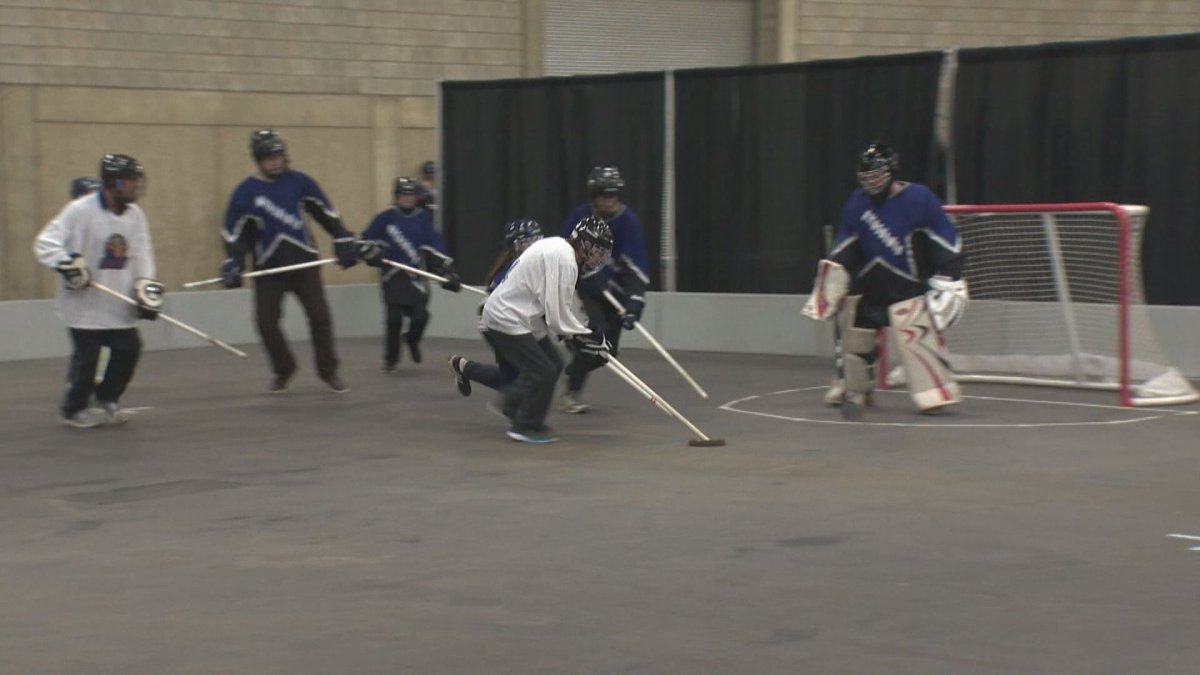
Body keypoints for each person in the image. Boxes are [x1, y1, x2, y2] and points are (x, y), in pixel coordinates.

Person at [802, 140, 968, 414]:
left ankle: (933, 389)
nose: (872, 183)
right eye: (866, 177)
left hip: (910, 291)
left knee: (916, 337)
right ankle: (854, 386)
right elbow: (845, 247)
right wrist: (832, 280)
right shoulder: (856, 204)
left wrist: (949, 279)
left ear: (892, 170)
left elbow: (946, 241)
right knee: (856, 337)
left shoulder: (919, 199)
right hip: (872, 289)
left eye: (877, 175)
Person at [218, 129, 359, 393]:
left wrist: (342, 238)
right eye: (268, 158)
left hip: (304, 263)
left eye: (279, 156)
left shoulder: (300, 182)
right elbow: (233, 232)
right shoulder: (245, 193)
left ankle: (328, 371)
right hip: (268, 269)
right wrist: (234, 262)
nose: (275, 162)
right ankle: (284, 369)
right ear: (257, 160)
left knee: (320, 317)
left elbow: (325, 212)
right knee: (266, 323)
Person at [34, 154, 163, 428]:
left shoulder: (136, 216)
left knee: (130, 349)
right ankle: (73, 410)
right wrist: (66, 264)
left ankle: (107, 399)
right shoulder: (80, 210)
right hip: (85, 303)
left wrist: (145, 285)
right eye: (128, 181)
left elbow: (143, 252)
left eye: (135, 181)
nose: (133, 187)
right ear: (112, 182)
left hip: (119, 300)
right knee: (87, 361)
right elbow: (45, 242)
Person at [467, 216, 613, 443]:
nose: (599, 257)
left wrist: (585, 333)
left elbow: (560, 307)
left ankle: (513, 406)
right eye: (597, 250)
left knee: (554, 363)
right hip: (507, 317)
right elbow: (557, 315)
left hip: (523, 316)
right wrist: (585, 336)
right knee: (542, 371)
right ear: (584, 243)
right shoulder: (564, 258)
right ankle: (525, 425)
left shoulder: (560, 251)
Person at [557, 166, 650, 413]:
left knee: (607, 352)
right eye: (603, 195)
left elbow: (635, 265)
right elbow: (561, 252)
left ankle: (576, 352)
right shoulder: (580, 216)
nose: (609, 200)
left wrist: (634, 301)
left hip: (614, 289)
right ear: (593, 196)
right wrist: (583, 273)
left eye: (614, 195)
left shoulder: (628, 222)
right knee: (596, 335)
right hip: (585, 285)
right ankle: (571, 392)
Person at [359, 176, 461, 372]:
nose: (407, 199)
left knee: (421, 317)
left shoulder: (423, 219)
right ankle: (391, 359)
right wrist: (370, 253)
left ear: (416, 197)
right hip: (392, 277)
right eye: (403, 195)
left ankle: (412, 341)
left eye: (411, 195)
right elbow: (366, 240)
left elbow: (435, 246)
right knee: (394, 320)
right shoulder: (385, 218)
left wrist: (446, 270)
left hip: (415, 279)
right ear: (396, 197)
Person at [446, 218, 544, 400]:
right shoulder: (512, 269)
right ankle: (515, 409)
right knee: (527, 371)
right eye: (526, 242)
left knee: (509, 376)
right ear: (514, 246)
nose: (532, 246)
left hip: (515, 324)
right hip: (497, 326)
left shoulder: (533, 265)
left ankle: (463, 366)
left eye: (535, 240)